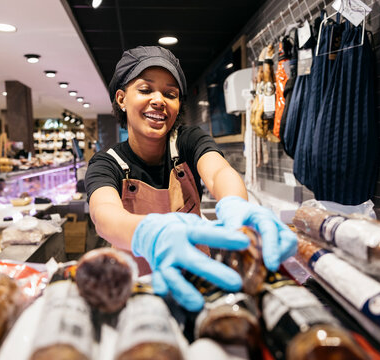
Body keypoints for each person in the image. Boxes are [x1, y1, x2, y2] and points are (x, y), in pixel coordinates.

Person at [85, 46, 296, 312]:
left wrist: (235, 205)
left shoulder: (187, 141)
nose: (159, 100)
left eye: (170, 94)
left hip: (200, 283)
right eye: (146, 90)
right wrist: (149, 234)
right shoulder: (107, 163)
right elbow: (104, 215)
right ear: (121, 99)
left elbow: (219, 172)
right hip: (132, 292)